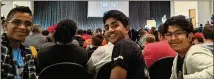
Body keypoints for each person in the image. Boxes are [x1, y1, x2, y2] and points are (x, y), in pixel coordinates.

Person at [103, 10, 149, 79]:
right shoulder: (131, 44)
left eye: (115, 25)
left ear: (126, 29)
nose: (110, 30)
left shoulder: (122, 45)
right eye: (107, 28)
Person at [1, 6, 36, 79]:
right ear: (5, 26)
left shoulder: (28, 51)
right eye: (16, 22)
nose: (23, 27)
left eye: (27, 24)